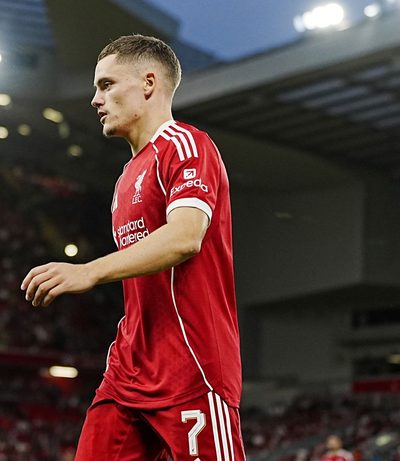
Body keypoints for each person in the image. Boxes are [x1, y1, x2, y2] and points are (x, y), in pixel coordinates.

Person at [22, 35, 244, 460]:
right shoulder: (125, 179)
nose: (94, 99)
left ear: (148, 82)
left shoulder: (188, 146)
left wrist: (89, 270)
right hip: (128, 372)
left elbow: (185, 237)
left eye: (106, 85)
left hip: (191, 367)